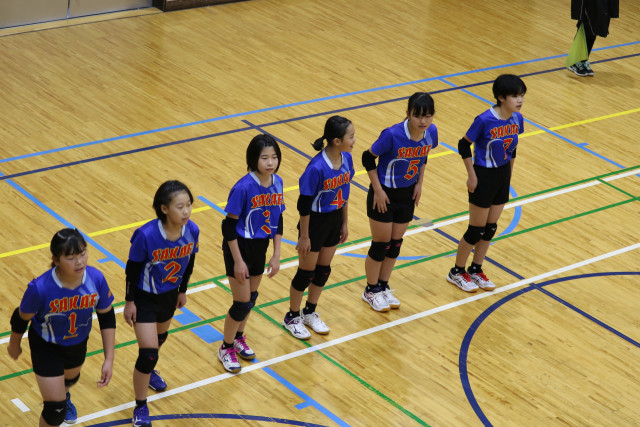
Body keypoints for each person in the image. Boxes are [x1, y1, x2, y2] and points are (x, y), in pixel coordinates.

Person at [7, 228, 115, 427]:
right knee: (55, 411)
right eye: (71, 258)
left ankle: (64, 395)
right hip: (46, 347)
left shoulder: (96, 279)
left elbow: (107, 316)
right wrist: (14, 344)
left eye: (82, 254)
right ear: (56, 260)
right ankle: (59, 402)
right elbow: (20, 317)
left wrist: (109, 359)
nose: (79, 262)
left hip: (77, 343)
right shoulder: (40, 288)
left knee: (68, 383)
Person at [123, 180, 198, 427]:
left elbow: (190, 262)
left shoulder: (192, 230)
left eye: (189, 205)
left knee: (159, 340)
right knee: (148, 353)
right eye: (180, 206)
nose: (186, 211)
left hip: (169, 295)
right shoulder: (146, 235)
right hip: (144, 299)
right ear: (164, 208)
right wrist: (130, 302)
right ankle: (140, 406)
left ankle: (150, 370)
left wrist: (182, 291)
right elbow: (132, 270)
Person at [446, 74, 526, 293]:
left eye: (521, 95)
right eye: (515, 96)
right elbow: (463, 145)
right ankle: (456, 271)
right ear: (501, 97)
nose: (520, 100)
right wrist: (471, 175)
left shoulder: (517, 119)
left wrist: (509, 174)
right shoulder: (484, 120)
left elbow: (512, 148)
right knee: (476, 230)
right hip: (483, 175)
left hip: (502, 176)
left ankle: (476, 268)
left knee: (490, 228)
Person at [361, 92, 438, 312]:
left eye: (428, 116)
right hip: (384, 194)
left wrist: (420, 183)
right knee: (381, 245)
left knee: (395, 244)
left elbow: (423, 155)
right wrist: (377, 190)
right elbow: (367, 157)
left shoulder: (431, 132)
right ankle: (371, 289)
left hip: (407, 194)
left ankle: (383, 285)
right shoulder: (392, 135)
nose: (423, 121)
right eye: (418, 116)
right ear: (408, 114)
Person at [283, 116, 356, 339]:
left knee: (323, 271)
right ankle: (292, 316)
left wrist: (344, 222)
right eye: (351, 136)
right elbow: (303, 204)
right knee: (306, 273)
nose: (354, 140)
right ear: (336, 140)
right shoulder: (316, 168)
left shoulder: (347, 159)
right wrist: (304, 236)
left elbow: (344, 193)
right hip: (314, 223)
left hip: (334, 219)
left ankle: (309, 312)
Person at [219, 134, 284, 372]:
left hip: (260, 246)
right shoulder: (243, 187)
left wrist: (276, 254)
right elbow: (228, 226)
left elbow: (278, 219)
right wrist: (238, 261)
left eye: (274, 157)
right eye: (264, 157)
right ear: (253, 159)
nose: (270, 162)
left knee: (251, 300)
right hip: (239, 247)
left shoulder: (278, 183)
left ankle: (238, 337)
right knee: (241, 303)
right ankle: (226, 347)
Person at [567, 0, 619, 76]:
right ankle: (575, 62)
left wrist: (613, 10)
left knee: (594, 31)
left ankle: (584, 60)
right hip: (588, 5)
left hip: (601, 5)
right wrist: (578, 13)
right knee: (584, 30)